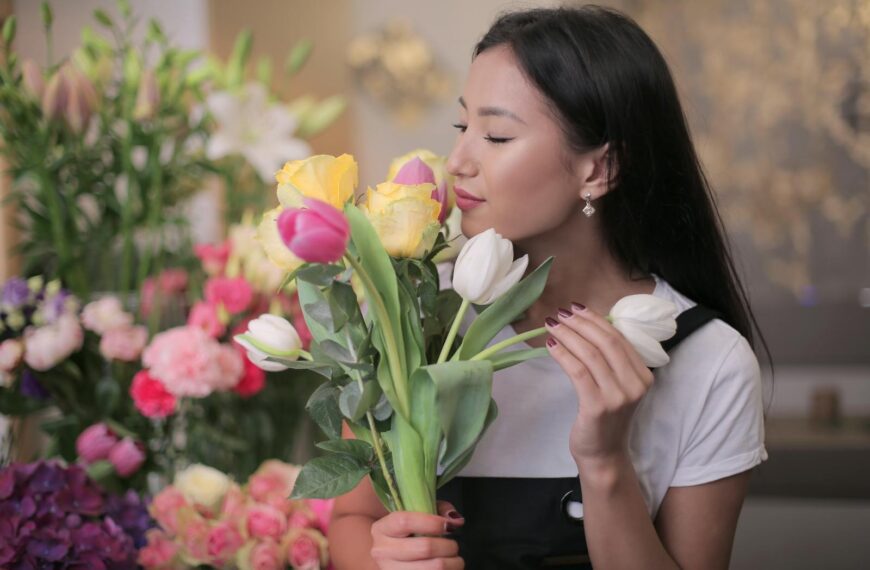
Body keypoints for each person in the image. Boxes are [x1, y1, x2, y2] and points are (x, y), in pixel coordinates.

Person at [327, 5, 770, 569]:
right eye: (463, 127)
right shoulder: (406, 315)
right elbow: (351, 519)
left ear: (598, 170)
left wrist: (605, 460)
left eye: (497, 134)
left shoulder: (710, 363)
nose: (457, 161)